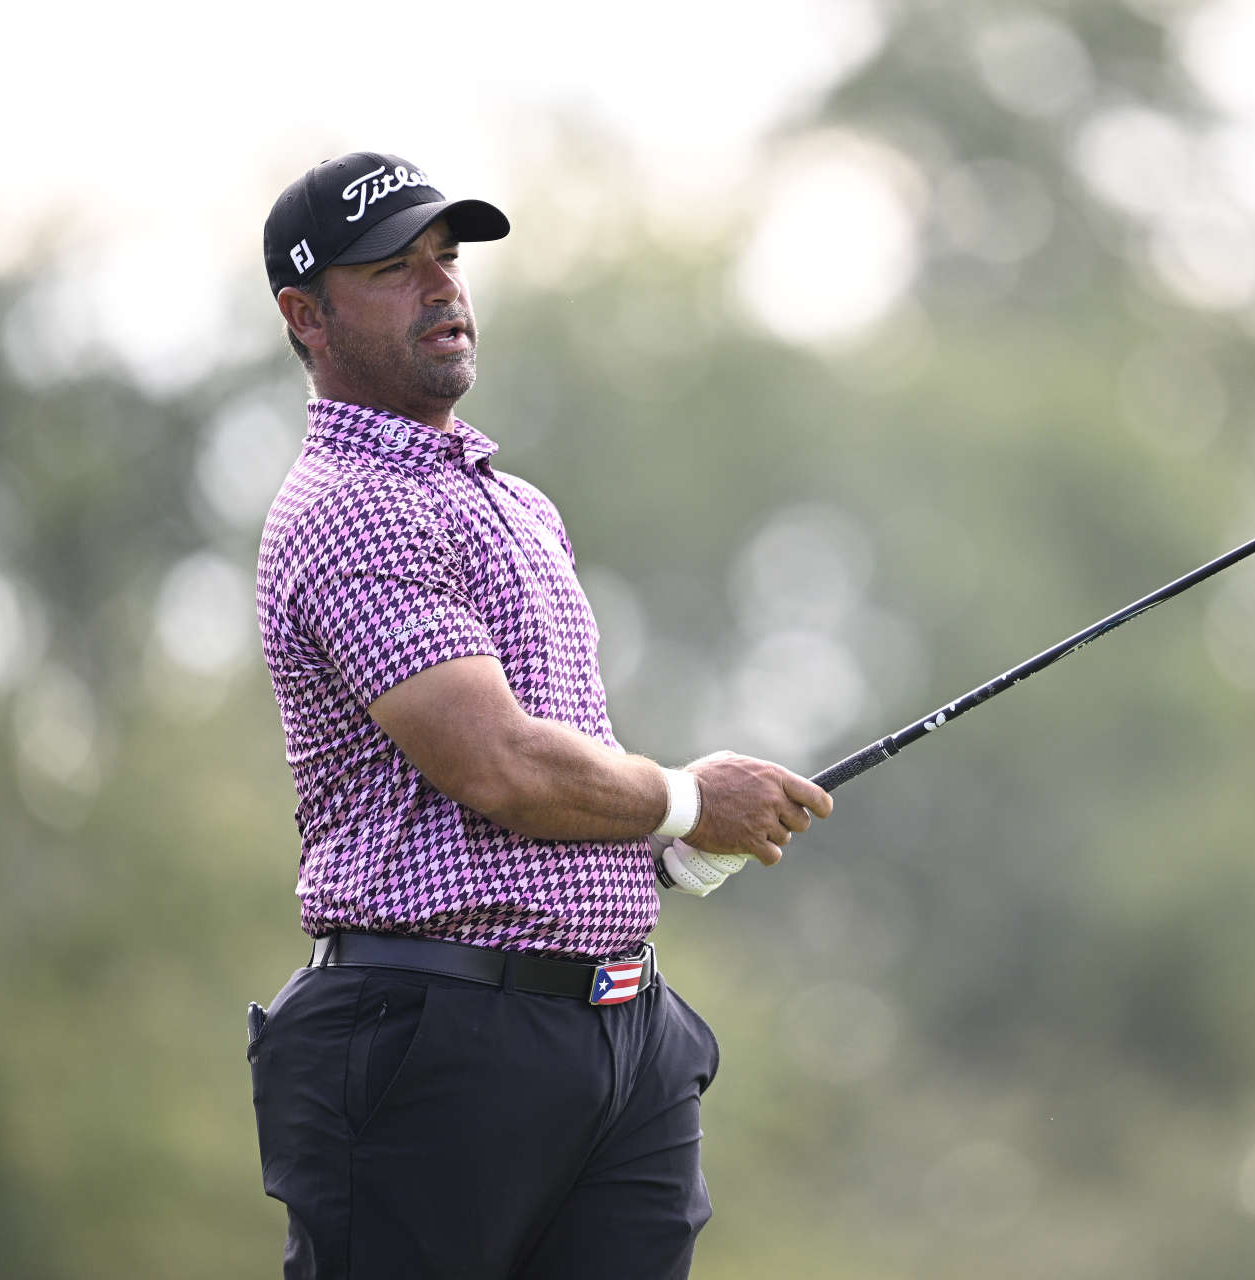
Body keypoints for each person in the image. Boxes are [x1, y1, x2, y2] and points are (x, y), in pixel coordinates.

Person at [246, 151, 833, 1280]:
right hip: (432, 1042)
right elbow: (499, 764)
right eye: (394, 269)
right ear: (304, 315)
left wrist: (657, 856)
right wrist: (686, 802)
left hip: (618, 1036)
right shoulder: (348, 507)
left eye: (447, 257)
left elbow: (543, 777)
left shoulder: (515, 504)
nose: (443, 289)